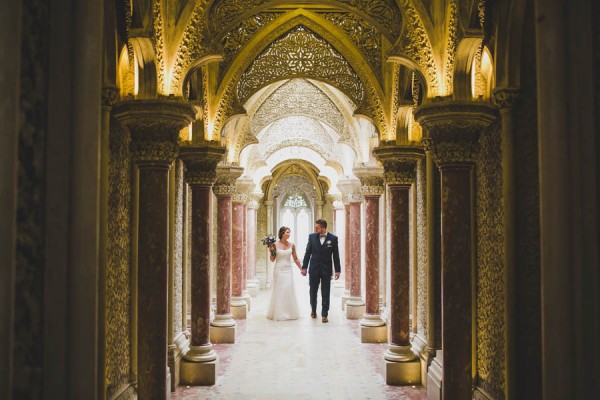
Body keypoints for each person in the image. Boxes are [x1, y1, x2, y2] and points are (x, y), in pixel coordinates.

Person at [301, 219, 341, 323]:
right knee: (313, 290)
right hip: (314, 268)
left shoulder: (333, 239)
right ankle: (313, 309)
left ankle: (324, 314)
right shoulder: (312, 237)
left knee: (325, 291)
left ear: (323, 228)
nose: (315, 229)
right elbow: (307, 253)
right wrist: (304, 267)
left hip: (326, 269)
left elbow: (336, 255)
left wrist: (337, 270)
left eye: (317, 227)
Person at [266, 226, 303, 320]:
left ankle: (289, 312)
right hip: (279, 269)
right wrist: (271, 252)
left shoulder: (292, 245)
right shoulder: (274, 245)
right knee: (280, 289)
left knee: (288, 289)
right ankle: (279, 313)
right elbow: (272, 259)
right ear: (282, 233)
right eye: (287, 232)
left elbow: (296, 259)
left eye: (289, 232)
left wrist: (302, 269)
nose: (289, 234)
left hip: (288, 270)